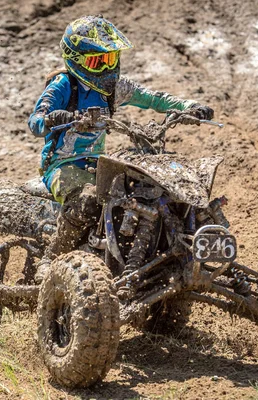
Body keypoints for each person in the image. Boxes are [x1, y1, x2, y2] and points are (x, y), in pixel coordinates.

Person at [28, 15, 214, 279]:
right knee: (88, 201)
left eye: (110, 59)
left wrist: (188, 107)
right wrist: (53, 119)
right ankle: (50, 259)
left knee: (147, 190)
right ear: (76, 60)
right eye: (97, 61)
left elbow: (153, 98)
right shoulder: (64, 85)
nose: (105, 67)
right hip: (63, 165)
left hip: (100, 163)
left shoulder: (113, 87)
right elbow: (35, 121)